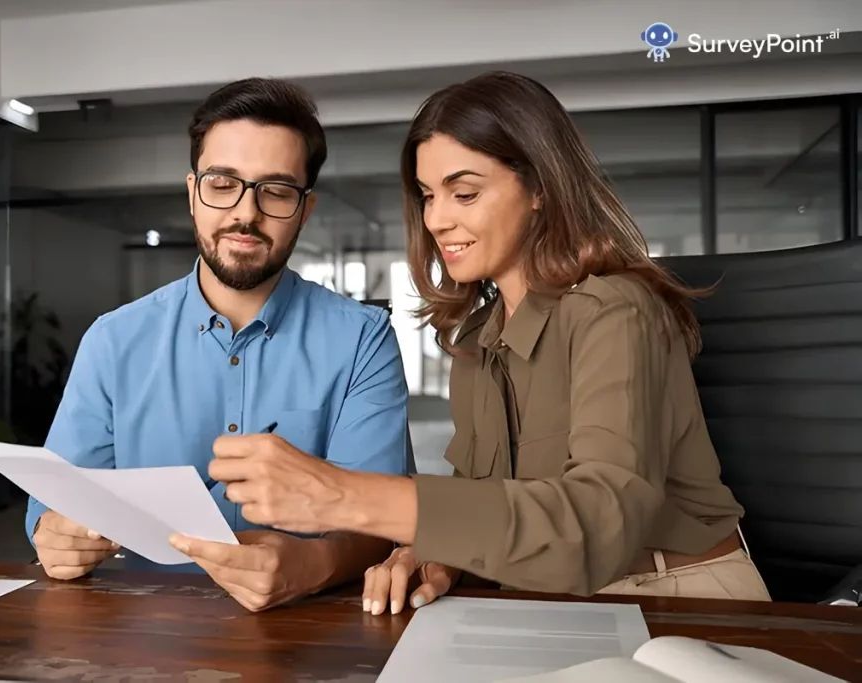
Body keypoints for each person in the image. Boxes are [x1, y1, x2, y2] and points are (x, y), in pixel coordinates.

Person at [193, 71, 772, 615]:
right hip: (546, 601)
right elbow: (487, 501)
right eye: (427, 195)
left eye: (463, 193)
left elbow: (596, 528)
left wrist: (344, 496)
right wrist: (438, 551)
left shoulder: (616, 309)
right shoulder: (477, 337)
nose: (437, 219)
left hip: (677, 596)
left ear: (540, 188)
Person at [26, 77, 412, 612]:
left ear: (305, 208)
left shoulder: (362, 340)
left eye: (275, 191)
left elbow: (380, 520)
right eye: (223, 183)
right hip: (144, 635)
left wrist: (313, 564)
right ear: (192, 192)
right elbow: (54, 501)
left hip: (314, 634)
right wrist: (53, 533)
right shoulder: (113, 340)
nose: (246, 214)